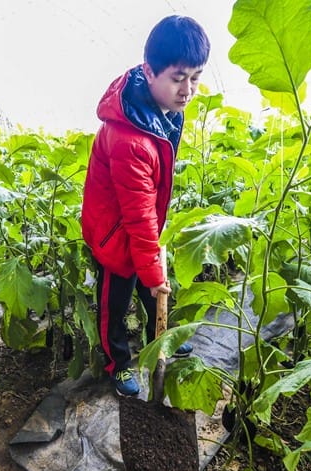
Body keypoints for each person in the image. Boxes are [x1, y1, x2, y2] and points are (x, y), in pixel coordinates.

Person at [81, 15, 210, 396]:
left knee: (149, 289)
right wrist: (153, 271)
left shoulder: (167, 111)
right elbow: (136, 218)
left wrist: (152, 265)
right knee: (115, 304)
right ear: (149, 72)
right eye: (178, 77)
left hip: (140, 224)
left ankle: (161, 339)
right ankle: (117, 363)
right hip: (113, 236)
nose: (187, 90)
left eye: (196, 77)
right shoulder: (128, 139)